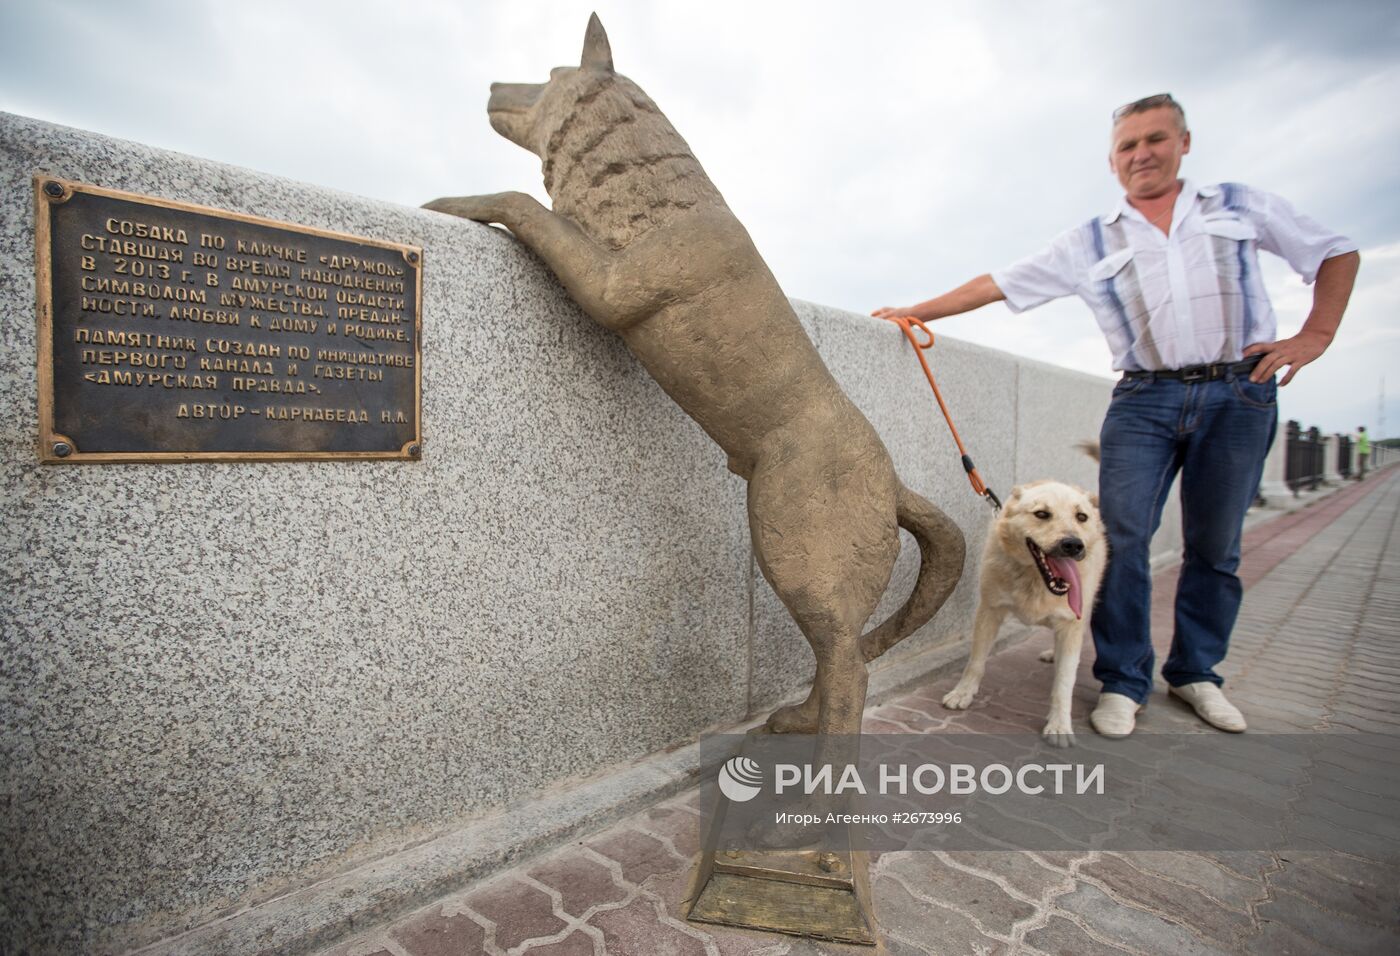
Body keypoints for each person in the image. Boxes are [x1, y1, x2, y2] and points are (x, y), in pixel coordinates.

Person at [874, 93, 1360, 737]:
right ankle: (1124, 682)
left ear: (1183, 143)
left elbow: (1336, 250)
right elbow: (1000, 283)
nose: (1143, 155)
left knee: (1215, 547)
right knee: (1119, 540)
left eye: (1155, 140)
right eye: (1128, 146)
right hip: (1143, 398)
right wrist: (916, 313)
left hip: (1239, 391)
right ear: (1112, 161)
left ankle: (1197, 675)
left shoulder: (1238, 205)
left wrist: (1314, 337)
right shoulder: (1093, 239)